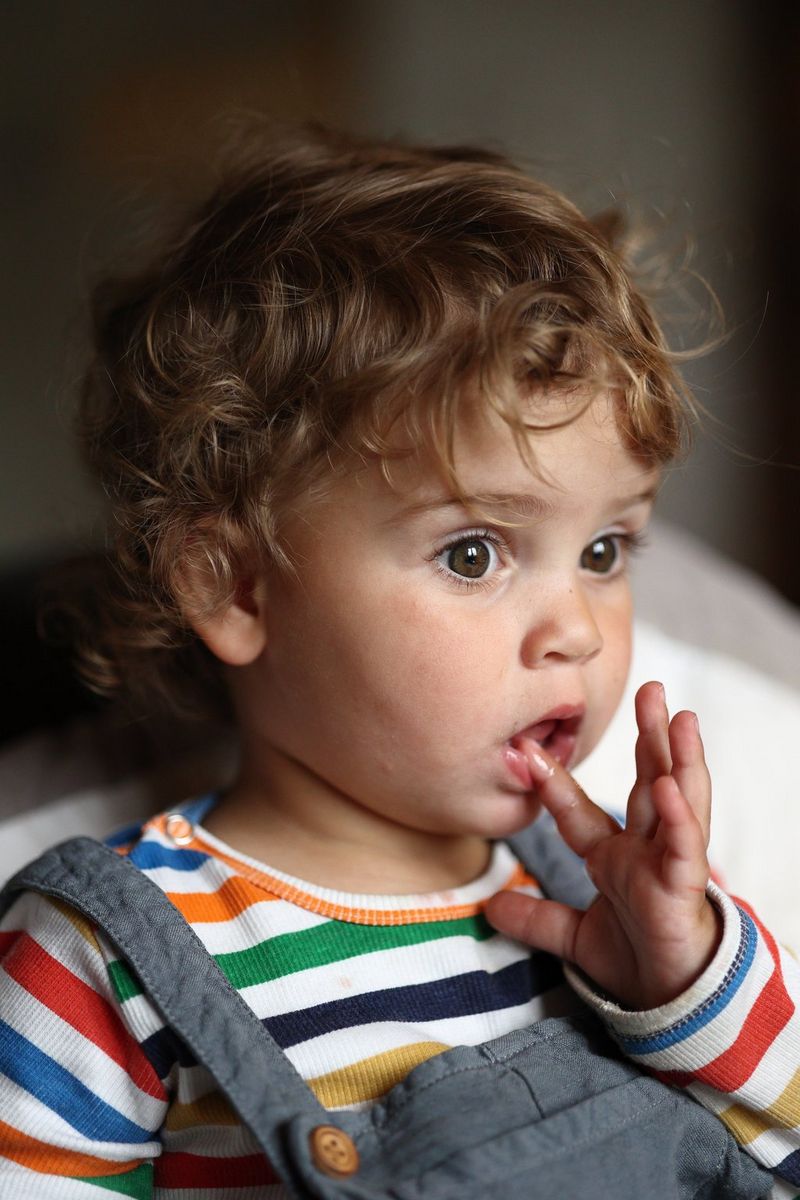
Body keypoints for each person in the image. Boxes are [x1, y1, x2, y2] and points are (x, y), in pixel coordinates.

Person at [0, 126, 797, 1199]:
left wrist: (691, 978)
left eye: (604, 550)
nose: (576, 628)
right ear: (235, 588)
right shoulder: (103, 959)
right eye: (472, 553)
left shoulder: (607, 918)